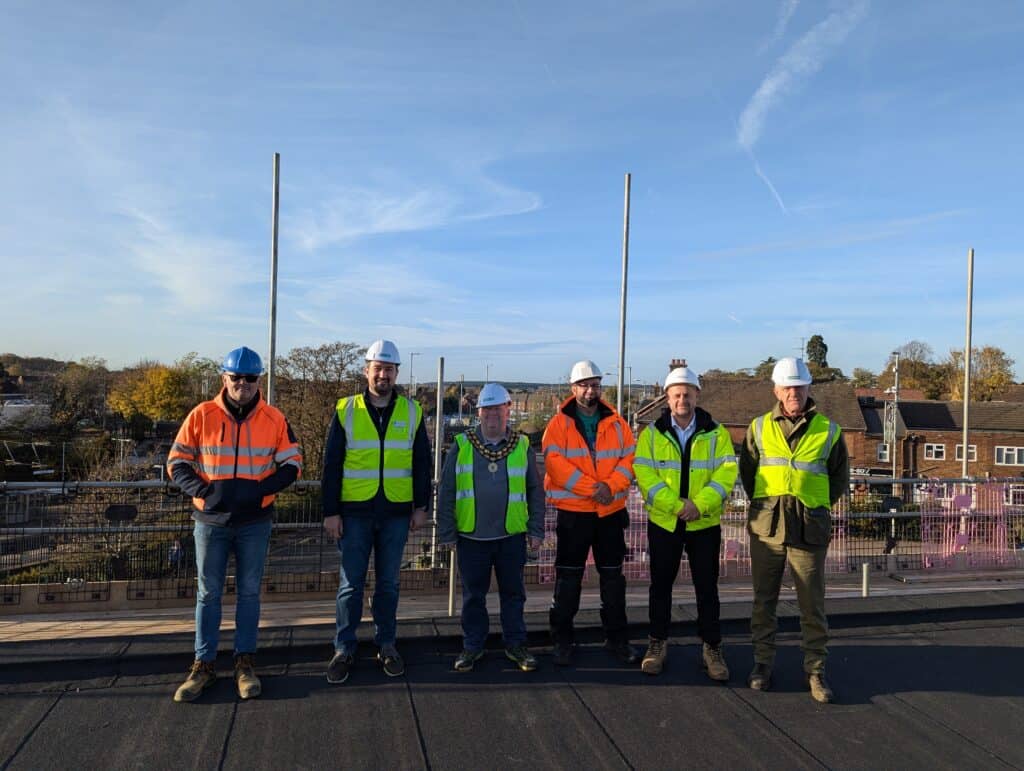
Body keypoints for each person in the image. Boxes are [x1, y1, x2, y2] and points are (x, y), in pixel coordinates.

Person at [167, 346, 302, 703]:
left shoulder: (274, 418)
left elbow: (292, 464)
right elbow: (177, 462)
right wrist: (206, 492)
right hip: (210, 521)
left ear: (260, 380)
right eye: (236, 378)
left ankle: (245, 663)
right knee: (208, 594)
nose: (243, 384)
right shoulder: (201, 415)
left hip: (255, 522)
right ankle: (203, 665)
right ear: (224, 379)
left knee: (249, 593)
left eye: (250, 378)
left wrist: (261, 491)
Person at [738, 357, 849, 703]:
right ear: (776, 389)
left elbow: (838, 480)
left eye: (799, 387)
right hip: (767, 528)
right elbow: (748, 473)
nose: (793, 393)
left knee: (812, 605)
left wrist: (814, 507)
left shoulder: (829, 430)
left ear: (808, 389)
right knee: (763, 601)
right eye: (787, 387)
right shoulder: (757, 428)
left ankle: (815, 670)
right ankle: (762, 664)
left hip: (809, 529)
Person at [322, 339, 431, 684]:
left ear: (397, 373)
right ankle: (345, 648)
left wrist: (421, 507)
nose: (383, 374)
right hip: (353, 514)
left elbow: (422, 463)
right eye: (378, 368)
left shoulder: (412, 412)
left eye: (389, 369)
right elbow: (332, 465)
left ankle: (386, 644)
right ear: (366, 370)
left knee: (388, 585)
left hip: (397, 513)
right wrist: (331, 512)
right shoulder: (345, 410)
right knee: (350, 586)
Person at [634, 366, 737, 678]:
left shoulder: (716, 433)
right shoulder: (651, 434)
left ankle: (712, 648)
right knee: (660, 587)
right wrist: (679, 506)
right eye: (677, 394)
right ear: (668, 397)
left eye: (688, 394)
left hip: (703, 524)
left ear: (697, 395)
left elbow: (726, 474)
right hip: (665, 523)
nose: (683, 400)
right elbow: (645, 476)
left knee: (707, 589)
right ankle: (657, 644)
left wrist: (699, 505)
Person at [437, 383, 545, 673]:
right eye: (487, 409)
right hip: (472, 537)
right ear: (479, 412)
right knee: (474, 596)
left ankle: (516, 645)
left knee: (513, 594)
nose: (492, 414)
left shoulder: (522, 445)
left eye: (498, 408)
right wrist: (446, 533)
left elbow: (535, 491)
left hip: (511, 536)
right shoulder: (461, 445)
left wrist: (536, 530)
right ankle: (472, 646)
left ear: (508, 410)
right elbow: (447, 491)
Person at [543, 359, 638, 666]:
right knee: (568, 579)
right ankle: (562, 640)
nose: (590, 390)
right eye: (584, 385)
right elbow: (556, 465)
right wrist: (592, 489)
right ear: (573, 388)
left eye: (595, 385)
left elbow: (630, 458)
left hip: (609, 512)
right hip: (574, 513)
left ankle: (616, 639)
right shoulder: (558, 425)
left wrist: (610, 486)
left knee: (612, 579)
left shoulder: (617, 422)